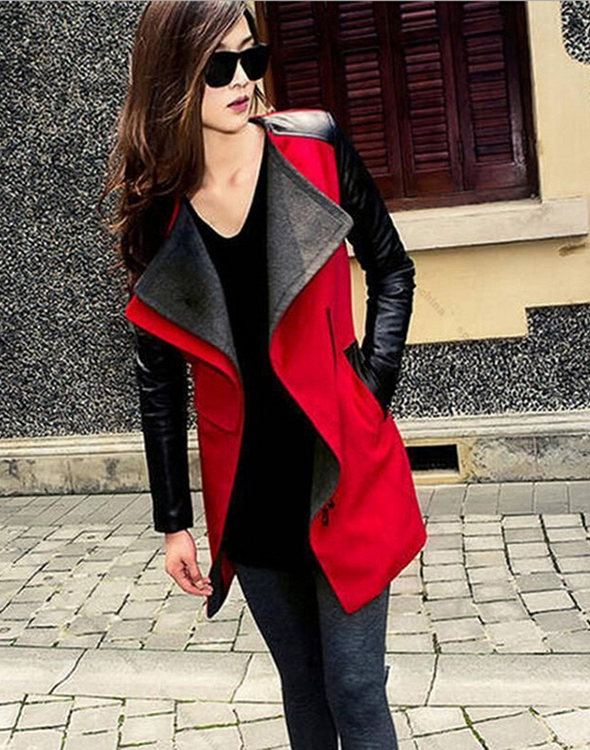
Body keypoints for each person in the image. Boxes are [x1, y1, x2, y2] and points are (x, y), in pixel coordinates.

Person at [100, 3, 427, 748]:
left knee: (354, 686)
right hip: (248, 489)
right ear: (174, 79)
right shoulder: (156, 208)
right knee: (303, 689)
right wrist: (174, 521)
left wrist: (370, 390)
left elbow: (392, 269)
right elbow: (157, 374)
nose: (243, 80)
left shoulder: (315, 146)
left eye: (253, 57)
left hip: (341, 462)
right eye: (220, 66)